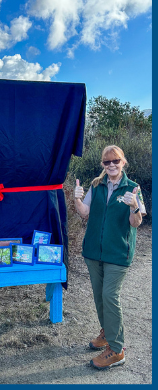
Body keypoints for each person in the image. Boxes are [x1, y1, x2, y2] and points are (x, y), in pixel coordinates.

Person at [73, 145, 146, 370]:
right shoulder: (97, 185)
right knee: (99, 296)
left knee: (109, 295)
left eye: (115, 161)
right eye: (107, 162)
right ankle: (106, 332)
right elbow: (84, 213)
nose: (111, 165)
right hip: (94, 252)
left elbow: (136, 223)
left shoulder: (133, 189)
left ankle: (117, 349)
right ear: (102, 165)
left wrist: (134, 207)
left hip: (118, 253)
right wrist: (76, 199)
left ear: (123, 162)